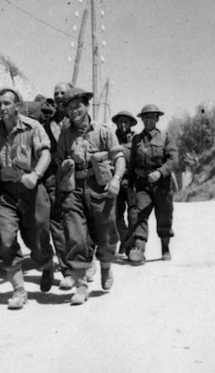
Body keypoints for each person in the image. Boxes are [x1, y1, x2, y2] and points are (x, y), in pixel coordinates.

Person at [0, 88, 55, 310]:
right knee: (6, 241)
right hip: (7, 194)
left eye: (7, 104)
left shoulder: (32, 127)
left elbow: (45, 153)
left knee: (37, 238)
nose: (2, 108)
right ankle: (19, 290)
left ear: (17, 106)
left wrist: (35, 175)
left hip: (32, 191)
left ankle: (46, 264)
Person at [55, 87, 125, 305]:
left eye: (78, 106)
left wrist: (116, 179)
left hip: (100, 187)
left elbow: (119, 157)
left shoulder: (103, 131)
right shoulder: (65, 136)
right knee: (75, 236)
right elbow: (58, 160)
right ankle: (82, 285)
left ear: (87, 106)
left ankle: (105, 266)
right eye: (70, 108)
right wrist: (64, 165)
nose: (74, 111)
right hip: (74, 188)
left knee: (106, 232)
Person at [126, 104, 178, 264]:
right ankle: (140, 251)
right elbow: (132, 165)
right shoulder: (136, 139)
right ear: (141, 119)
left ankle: (165, 247)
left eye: (151, 117)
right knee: (140, 215)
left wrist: (160, 172)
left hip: (162, 184)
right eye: (145, 117)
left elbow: (173, 159)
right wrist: (130, 186)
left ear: (157, 118)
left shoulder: (165, 137)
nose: (148, 120)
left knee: (164, 215)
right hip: (143, 184)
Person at [41, 83, 75, 290]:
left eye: (63, 92)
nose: (60, 96)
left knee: (79, 220)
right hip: (54, 179)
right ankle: (67, 270)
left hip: (78, 178)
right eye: (56, 94)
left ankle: (83, 259)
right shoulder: (46, 125)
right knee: (56, 222)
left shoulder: (79, 120)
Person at [111, 110, 138, 257]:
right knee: (116, 215)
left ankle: (129, 245)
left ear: (130, 124)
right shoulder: (111, 138)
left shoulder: (136, 139)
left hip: (131, 181)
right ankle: (125, 239)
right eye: (120, 121)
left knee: (134, 214)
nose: (123, 125)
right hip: (115, 179)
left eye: (125, 122)